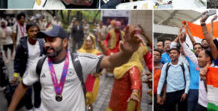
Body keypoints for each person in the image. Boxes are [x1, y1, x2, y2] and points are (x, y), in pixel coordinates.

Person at [8, 24, 143, 111]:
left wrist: (127, 53)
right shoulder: (38, 64)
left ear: (65, 42)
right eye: (46, 40)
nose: (47, 44)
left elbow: (110, 62)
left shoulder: (80, 60)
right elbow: (24, 85)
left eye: (52, 40)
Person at [12, 23, 44, 111]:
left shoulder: (41, 42)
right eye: (32, 31)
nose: (34, 33)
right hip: (26, 73)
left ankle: (37, 107)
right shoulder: (22, 45)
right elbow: (17, 60)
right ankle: (29, 107)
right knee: (27, 93)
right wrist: (15, 75)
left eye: (36, 31)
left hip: (39, 72)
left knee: (38, 91)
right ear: (27, 32)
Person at [78, 34, 101, 110]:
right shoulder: (80, 52)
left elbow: (100, 67)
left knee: (89, 97)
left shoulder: (97, 53)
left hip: (91, 78)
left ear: (93, 42)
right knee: (81, 96)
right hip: (81, 77)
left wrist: (96, 72)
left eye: (89, 41)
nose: (87, 43)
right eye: (86, 41)